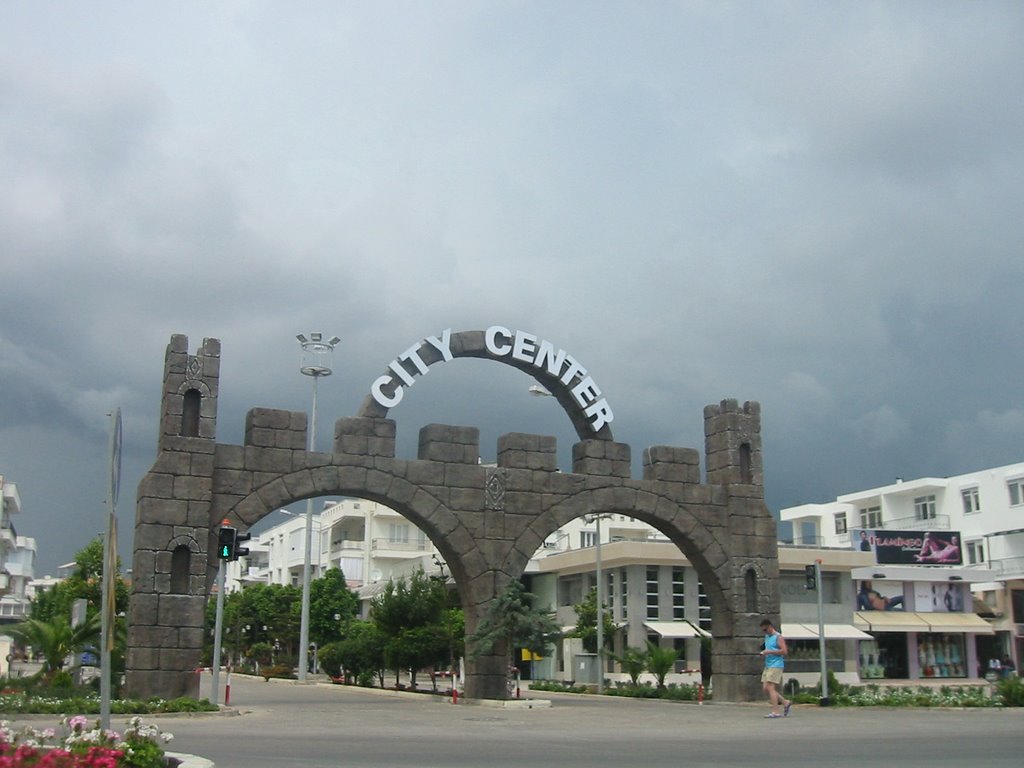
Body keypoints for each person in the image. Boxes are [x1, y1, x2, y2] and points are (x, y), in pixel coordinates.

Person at [759, 619, 792, 718]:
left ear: (770, 627)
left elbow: (784, 651)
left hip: (776, 664)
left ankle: (775, 711)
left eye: (765, 630)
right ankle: (785, 702)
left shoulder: (778, 637)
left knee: (770, 687)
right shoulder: (767, 637)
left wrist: (769, 652)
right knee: (765, 688)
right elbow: (768, 647)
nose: (764, 632)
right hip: (768, 664)